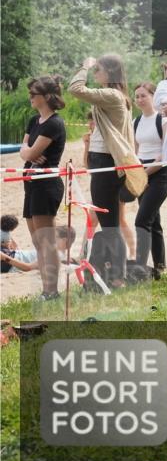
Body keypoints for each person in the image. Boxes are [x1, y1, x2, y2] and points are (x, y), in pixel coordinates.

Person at [70, 56, 147, 288]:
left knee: (110, 224)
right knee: (111, 222)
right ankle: (116, 275)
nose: (95, 73)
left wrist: (84, 66)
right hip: (103, 160)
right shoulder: (116, 95)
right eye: (94, 70)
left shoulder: (112, 95)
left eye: (98, 70)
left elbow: (75, 89)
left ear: (110, 72)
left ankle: (117, 277)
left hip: (105, 161)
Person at [18, 76, 67, 298]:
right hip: (31, 183)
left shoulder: (54, 123)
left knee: (46, 241)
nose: (30, 97)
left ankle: (52, 290)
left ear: (46, 97)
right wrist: (27, 151)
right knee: (37, 242)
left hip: (46, 184)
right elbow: (25, 150)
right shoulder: (33, 120)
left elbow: (30, 152)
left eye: (33, 94)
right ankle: (47, 289)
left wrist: (28, 151)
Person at [132, 82, 167, 277]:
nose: (140, 99)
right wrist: (138, 172)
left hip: (160, 174)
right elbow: (134, 150)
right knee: (153, 221)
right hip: (141, 172)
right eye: (137, 96)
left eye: (144, 95)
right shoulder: (135, 121)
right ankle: (160, 266)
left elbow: (166, 152)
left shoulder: (162, 119)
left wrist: (145, 173)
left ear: (153, 96)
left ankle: (139, 268)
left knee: (142, 221)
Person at [1, 225, 75, 274]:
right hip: (11, 254)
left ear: (64, 240)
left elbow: (28, 267)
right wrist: (14, 245)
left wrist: (4, 257)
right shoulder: (55, 251)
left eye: (55, 236)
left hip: (8, 263)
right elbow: (27, 256)